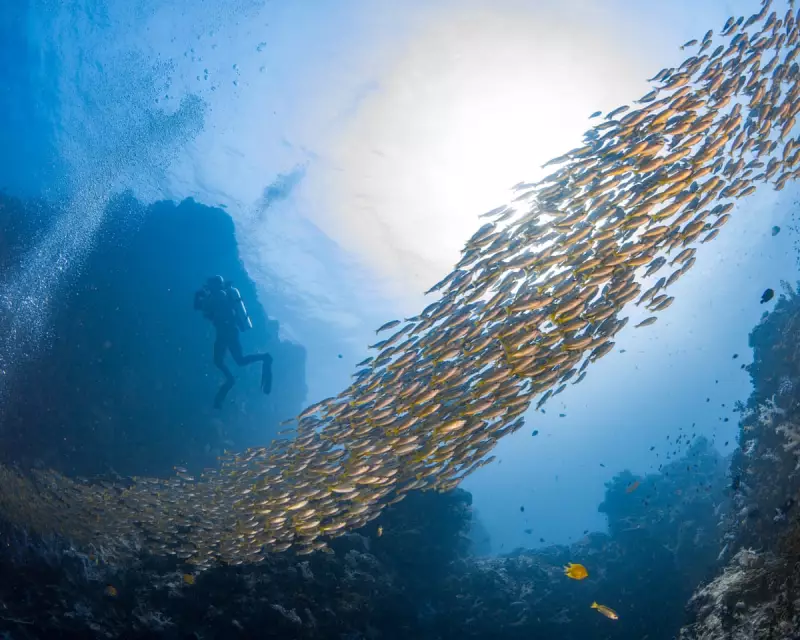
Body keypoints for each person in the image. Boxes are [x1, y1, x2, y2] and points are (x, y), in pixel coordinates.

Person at [194, 275, 272, 409]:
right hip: (230, 331)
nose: (208, 287)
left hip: (225, 332)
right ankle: (265, 358)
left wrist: (198, 295)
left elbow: (199, 306)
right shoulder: (223, 295)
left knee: (219, 361)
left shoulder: (217, 296)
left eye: (210, 285)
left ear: (216, 285)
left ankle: (230, 380)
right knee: (239, 360)